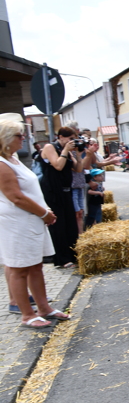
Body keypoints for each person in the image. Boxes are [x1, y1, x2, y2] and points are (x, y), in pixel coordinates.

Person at [0, 113, 70, 328]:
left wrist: (42, 211)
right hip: (17, 223)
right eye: (19, 135)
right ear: (5, 138)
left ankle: (44, 308)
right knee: (20, 268)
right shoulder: (2, 164)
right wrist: (44, 213)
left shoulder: (13, 159)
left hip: (31, 221)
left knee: (35, 266)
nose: (23, 139)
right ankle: (27, 315)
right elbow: (16, 197)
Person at [40, 126, 83, 268]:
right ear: (61, 137)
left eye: (74, 139)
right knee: (59, 225)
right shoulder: (49, 147)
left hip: (66, 191)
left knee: (70, 224)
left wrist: (77, 153)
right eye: (70, 139)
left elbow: (78, 169)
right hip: (53, 191)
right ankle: (62, 259)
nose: (72, 142)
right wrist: (65, 151)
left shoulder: (68, 151)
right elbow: (57, 165)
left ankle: (73, 255)